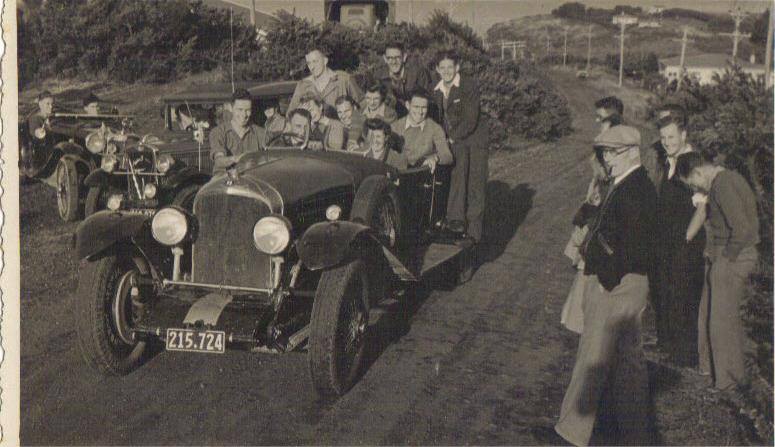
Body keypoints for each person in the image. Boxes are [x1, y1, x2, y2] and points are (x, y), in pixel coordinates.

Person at [555, 125, 657, 446]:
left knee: (593, 361)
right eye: (603, 153)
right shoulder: (629, 183)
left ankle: (570, 434)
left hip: (618, 286)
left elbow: (635, 246)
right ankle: (633, 436)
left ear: (629, 153)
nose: (606, 159)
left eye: (611, 153)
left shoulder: (635, 189)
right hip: (624, 285)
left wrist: (606, 279)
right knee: (626, 368)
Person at [676, 152, 760, 390]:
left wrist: (726, 258)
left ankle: (730, 382)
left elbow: (742, 228)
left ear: (699, 172)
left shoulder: (723, 184)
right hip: (724, 255)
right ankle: (715, 372)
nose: (695, 188)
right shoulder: (723, 182)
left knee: (722, 323)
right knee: (713, 317)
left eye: (693, 183)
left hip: (733, 256)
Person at [651, 111, 707, 366]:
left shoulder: (692, 162)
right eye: (663, 137)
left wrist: (686, 238)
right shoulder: (669, 160)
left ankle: (684, 352)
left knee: (683, 292)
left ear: (684, 135)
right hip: (666, 239)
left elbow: (702, 207)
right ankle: (667, 342)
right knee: (665, 288)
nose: (666, 141)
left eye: (671, 136)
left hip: (685, 243)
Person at [433, 50, 489, 244]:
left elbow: (470, 119)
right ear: (437, 69)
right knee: (456, 178)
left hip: (474, 140)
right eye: (443, 68)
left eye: (450, 67)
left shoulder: (467, 85)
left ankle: (474, 235)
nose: (447, 71)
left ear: (457, 67)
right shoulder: (437, 89)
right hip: (455, 141)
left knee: (475, 184)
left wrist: (450, 138)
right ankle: (455, 222)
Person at [389, 89, 453, 172]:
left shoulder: (434, 128)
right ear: (407, 105)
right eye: (416, 107)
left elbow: (447, 157)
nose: (420, 112)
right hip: (399, 173)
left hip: (422, 174)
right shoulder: (395, 127)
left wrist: (435, 158)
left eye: (424, 107)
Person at [288, 48, 363, 114]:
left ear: (325, 61)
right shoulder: (303, 85)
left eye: (315, 61)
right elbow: (290, 114)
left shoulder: (343, 79)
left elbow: (363, 104)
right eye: (309, 63)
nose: (312, 67)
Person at [209, 89, 265, 173]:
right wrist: (238, 158)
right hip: (224, 181)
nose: (244, 115)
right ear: (231, 108)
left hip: (251, 180)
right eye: (240, 109)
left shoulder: (260, 132)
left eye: (247, 110)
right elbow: (219, 160)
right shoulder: (218, 132)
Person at [374, 41, 433, 117]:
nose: (394, 62)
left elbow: (427, 100)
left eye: (397, 57)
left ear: (404, 57)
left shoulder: (418, 73)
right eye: (390, 58)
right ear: (385, 59)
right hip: (393, 117)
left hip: (417, 115)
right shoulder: (379, 76)